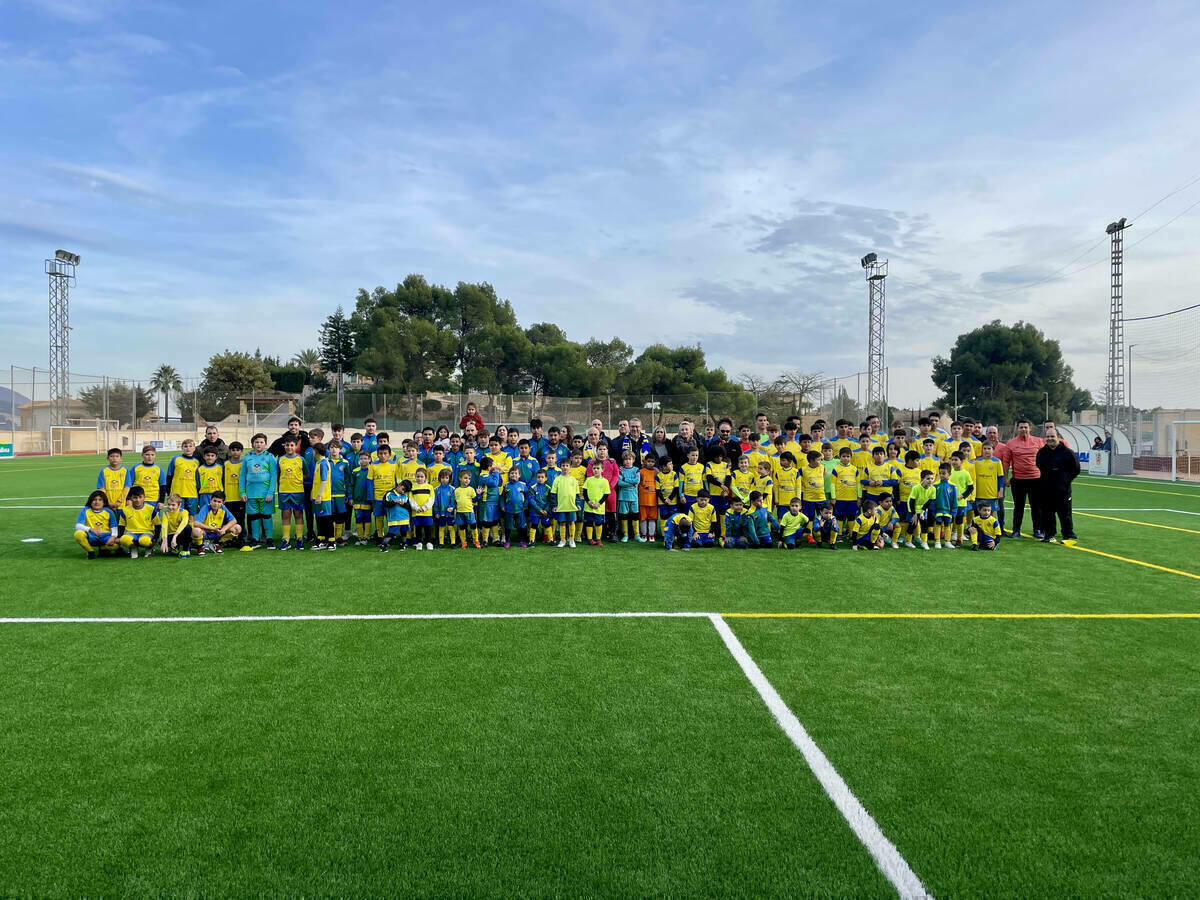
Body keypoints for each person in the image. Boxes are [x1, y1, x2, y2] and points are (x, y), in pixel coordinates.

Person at [1036, 425, 1080, 545]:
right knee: (1047, 513)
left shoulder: (1067, 452)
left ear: (1058, 437)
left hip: (1063, 490)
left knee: (1065, 514)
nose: (1050, 438)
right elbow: (1039, 465)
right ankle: (1049, 535)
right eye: (1048, 436)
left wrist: (1065, 480)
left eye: (1052, 436)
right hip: (1046, 489)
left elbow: (1076, 469)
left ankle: (1068, 535)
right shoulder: (1041, 452)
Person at [1004, 419, 1045, 539]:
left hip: (1036, 479)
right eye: (1021, 427)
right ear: (1017, 429)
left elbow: (1045, 459)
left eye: (1025, 427)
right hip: (1018, 480)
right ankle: (1016, 530)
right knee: (1018, 506)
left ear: (1030, 428)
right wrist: (1006, 478)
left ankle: (1037, 529)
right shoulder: (1011, 443)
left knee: (1036, 506)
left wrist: (1045, 477)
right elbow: (1006, 462)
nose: (1023, 429)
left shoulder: (1038, 441)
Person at [240, 433, 277, 548]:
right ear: (252, 444)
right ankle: (255, 540)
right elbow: (242, 476)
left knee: (266, 516)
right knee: (254, 516)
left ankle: (269, 539)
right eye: (256, 442)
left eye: (261, 442)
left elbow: (273, 475)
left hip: (266, 493)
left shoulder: (269, 457)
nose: (259, 444)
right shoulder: (247, 457)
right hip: (251, 493)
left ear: (265, 444)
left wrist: (270, 492)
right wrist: (242, 492)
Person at [276, 436, 307, 550]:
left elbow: (306, 474)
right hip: (284, 491)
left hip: (298, 491)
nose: (289, 447)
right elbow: (278, 474)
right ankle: (286, 540)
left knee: (298, 514)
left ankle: (299, 539)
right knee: (286, 515)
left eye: (292, 445)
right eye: (287, 445)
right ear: (284, 446)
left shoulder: (301, 459)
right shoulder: (280, 460)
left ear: (296, 446)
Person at [191, 490, 241, 554]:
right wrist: (213, 529)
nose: (216, 503)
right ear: (210, 500)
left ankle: (217, 543)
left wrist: (223, 529)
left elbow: (234, 520)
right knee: (196, 531)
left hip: (217, 532)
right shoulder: (206, 507)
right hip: (206, 532)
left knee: (237, 528)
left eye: (219, 502)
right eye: (214, 501)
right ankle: (200, 546)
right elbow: (196, 523)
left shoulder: (223, 508)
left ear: (223, 503)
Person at [75, 490, 119, 558]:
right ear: (90, 501)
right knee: (78, 534)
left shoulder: (109, 512)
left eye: (100, 500)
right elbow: (78, 525)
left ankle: (103, 548)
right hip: (91, 536)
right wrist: (90, 529)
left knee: (115, 546)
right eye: (94, 500)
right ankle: (90, 552)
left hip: (106, 536)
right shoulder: (85, 510)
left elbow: (114, 526)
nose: (97, 502)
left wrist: (113, 537)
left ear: (104, 502)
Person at [548, 458, 580, 548]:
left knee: (572, 522)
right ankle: (562, 540)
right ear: (560, 467)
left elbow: (577, 494)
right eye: (563, 466)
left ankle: (571, 540)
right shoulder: (557, 479)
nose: (565, 468)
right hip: (561, 506)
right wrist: (554, 505)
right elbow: (553, 493)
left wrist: (577, 504)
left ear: (570, 467)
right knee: (562, 522)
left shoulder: (574, 480)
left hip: (571, 505)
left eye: (567, 466)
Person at [118, 486, 157, 558]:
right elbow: (121, 526)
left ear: (144, 497)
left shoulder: (150, 509)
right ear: (131, 498)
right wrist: (119, 537)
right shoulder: (125, 510)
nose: (138, 500)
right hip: (131, 533)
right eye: (135, 497)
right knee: (124, 539)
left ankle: (149, 548)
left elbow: (158, 525)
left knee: (144, 541)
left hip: (147, 532)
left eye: (140, 497)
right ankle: (133, 548)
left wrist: (155, 539)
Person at [166, 439, 202, 515]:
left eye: (190, 446)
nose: (188, 448)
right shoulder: (175, 459)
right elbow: (169, 475)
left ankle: (190, 527)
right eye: (185, 446)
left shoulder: (197, 462)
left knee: (191, 515)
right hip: (178, 493)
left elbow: (198, 480)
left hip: (192, 493)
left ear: (194, 448)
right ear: (182, 448)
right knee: (178, 515)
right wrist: (168, 491)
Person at [126, 445, 166, 512]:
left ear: (155, 455)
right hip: (137, 499)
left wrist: (161, 501)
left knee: (154, 521)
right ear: (142, 455)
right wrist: (129, 498)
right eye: (147, 454)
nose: (150, 457)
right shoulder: (136, 468)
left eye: (152, 455)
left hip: (153, 500)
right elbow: (129, 484)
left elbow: (163, 486)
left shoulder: (159, 469)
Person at [222, 441, 246, 543]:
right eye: (233, 450)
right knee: (228, 519)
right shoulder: (225, 464)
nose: (235, 452)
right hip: (228, 497)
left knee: (240, 519)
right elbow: (222, 480)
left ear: (241, 452)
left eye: (238, 450)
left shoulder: (244, 464)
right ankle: (229, 539)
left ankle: (241, 538)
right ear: (230, 451)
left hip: (240, 497)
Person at [616, 451, 642, 542]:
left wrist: (625, 479)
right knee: (624, 516)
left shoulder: (636, 470)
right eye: (625, 459)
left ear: (633, 460)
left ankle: (637, 535)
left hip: (634, 497)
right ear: (623, 461)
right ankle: (625, 535)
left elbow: (637, 481)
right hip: (623, 497)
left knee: (635, 516)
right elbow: (619, 483)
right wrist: (631, 483)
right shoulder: (621, 470)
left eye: (629, 459)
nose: (627, 461)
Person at [379, 480, 412, 552]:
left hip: (405, 518)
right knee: (391, 533)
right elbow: (384, 504)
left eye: (405, 491)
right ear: (399, 485)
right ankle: (383, 545)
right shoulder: (389, 494)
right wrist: (393, 502)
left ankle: (402, 545)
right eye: (403, 489)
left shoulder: (405, 496)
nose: (403, 492)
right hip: (394, 518)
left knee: (404, 532)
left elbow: (409, 506)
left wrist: (404, 504)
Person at [932, 463, 959, 549]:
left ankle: (947, 541)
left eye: (944, 473)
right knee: (938, 523)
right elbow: (933, 499)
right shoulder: (935, 486)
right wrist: (933, 509)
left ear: (949, 474)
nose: (942, 475)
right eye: (940, 473)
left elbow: (954, 499)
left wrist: (954, 510)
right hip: (938, 510)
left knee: (948, 524)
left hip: (948, 510)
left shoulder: (953, 486)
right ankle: (937, 541)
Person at [156, 493, 192, 558]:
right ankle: (175, 548)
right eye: (169, 504)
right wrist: (164, 541)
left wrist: (175, 536)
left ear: (179, 505)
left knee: (188, 528)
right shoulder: (165, 513)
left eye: (173, 505)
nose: (170, 507)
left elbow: (184, 523)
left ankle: (186, 550)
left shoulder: (184, 512)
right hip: (172, 534)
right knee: (162, 541)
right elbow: (164, 527)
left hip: (180, 534)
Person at [500, 468, 528, 548]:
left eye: (516, 473)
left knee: (521, 526)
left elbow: (527, 496)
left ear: (519, 475)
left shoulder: (523, 485)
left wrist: (525, 505)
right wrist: (502, 506)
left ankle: (522, 541)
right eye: (512, 473)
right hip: (509, 509)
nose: (514, 475)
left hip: (520, 509)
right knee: (508, 526)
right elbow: (502, 497)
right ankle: (507, 541)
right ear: (509, 475)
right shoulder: (506, 485)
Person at [454, 469, 481, 549]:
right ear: (460, 478)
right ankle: (463, 542)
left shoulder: (471, 489)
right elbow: (455, 502)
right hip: (459, 512)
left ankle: (476, 541)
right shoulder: (456, 490)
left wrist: (478, 495)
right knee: (461, 527)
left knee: (473, 526)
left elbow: (475, 500)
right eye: (465, 478)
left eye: (469, 478)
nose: (467, 480)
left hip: (469, 511)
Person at [637, 454, 659, 541]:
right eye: (649, 461)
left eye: (652, 462)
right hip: (643, 499)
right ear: (645, 461)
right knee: (643, 518)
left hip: (653, 500)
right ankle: (643, 534)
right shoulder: (641, 471)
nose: (650, 463)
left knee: (652, 518)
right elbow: (638, 484)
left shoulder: (656, 472)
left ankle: (651, 535)